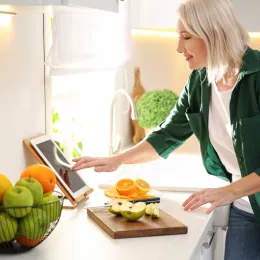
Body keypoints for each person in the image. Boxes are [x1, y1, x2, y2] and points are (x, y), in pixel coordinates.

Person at [72, 0, 260, 259]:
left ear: (213, 34)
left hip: (238, 195)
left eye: (186, 37)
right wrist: (117, 159)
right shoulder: (199, 82)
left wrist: (226, 191)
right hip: (245, 208)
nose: (178, 47)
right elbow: (167, 134)